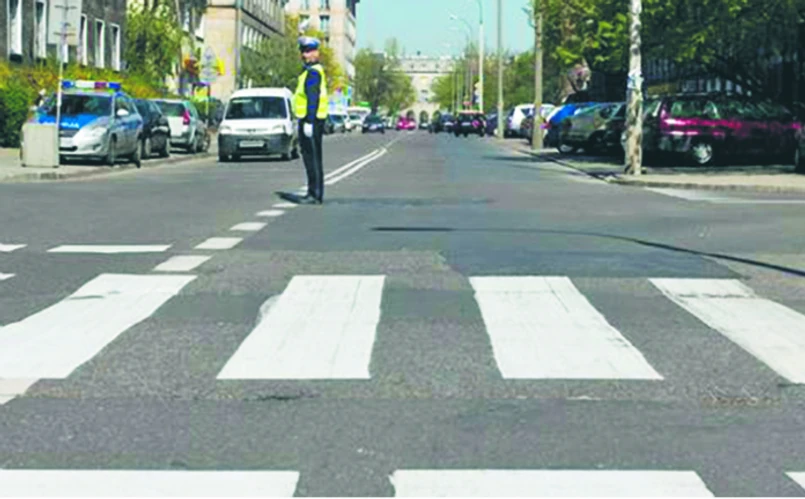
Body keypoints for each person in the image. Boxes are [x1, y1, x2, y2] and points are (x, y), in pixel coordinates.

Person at [289, 35, 328, 205]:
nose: (306, 55)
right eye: (304, 52)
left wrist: (309, 122)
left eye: (310, 51)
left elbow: (313, 98)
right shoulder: (310, 71)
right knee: (313, 157)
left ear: (317, 53)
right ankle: (315, 192)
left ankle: (314, 193)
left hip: (310, 120)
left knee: (311, 158)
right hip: (312, 119)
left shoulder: (313, 72)